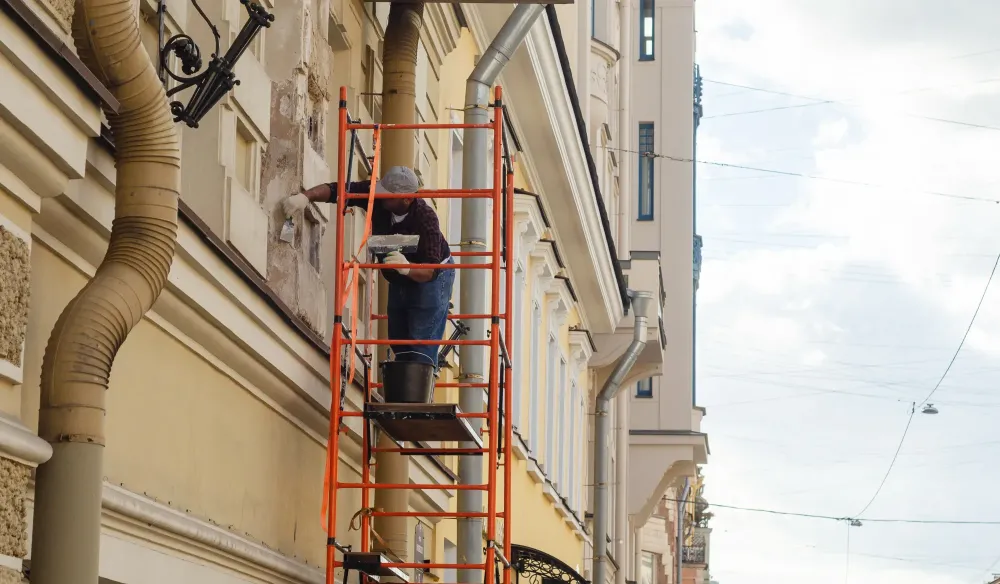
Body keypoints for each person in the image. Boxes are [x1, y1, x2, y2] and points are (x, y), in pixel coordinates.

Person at [283, 166, 454, 368]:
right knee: (399, 338)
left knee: (420, 342)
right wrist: (305, 197)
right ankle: (403, 381)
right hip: (399, 267)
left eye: (388, 195)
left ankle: (419, 383)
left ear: (407, 199)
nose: (381, 197)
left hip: (431, 275)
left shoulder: (426, 219)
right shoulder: (377, 195)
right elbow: (339, 190)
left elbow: (432, 269)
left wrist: (408, 268)